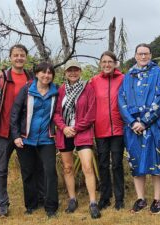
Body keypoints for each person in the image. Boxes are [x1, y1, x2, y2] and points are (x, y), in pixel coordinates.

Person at [0, 44, 45, 217]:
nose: (19, 58)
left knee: (31, 168)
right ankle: (2, 205)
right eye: (16, 55)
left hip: (24, 133)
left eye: (22, 55)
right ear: (10, 57)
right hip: (3, 133)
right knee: (1, 169)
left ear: (26, 57)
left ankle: (37, 200)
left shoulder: (31, 78)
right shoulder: (1, 79)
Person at [118, 43, 160, 214]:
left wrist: (145, 122)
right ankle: (140, 199)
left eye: (146, 53)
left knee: (156, 163)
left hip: (153, 126)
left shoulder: (158, 73)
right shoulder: (128, 76)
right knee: (136, 163)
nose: (143, 57)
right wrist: (132, 122)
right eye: (140, 54)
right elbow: (121, 100)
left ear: (151, 55)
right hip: (132, 128)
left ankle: (157, 200)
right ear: (135, 55)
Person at [53, 59, 101, 219]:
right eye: (69, 70)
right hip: (64, 132)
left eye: (76, 70)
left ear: (80, 71)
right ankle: (72, 199)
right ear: (65, 73)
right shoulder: (60, 90)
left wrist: (76, 128)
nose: (73, 73)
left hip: (82, 132)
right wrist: (64, 128)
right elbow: (56, 113)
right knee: (67, 167)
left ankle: (93, 202)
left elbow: (91, 112)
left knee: (87, 167)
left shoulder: (88, 88)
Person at [10, 62, 59, 218]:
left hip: (47, 139)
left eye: (50, 73)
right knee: (28, 172)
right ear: (36, 74)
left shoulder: (56, 90)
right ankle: (31, 205)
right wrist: (16, 135)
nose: (46, 75)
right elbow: (15, 113)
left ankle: (51, 206)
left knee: (50, 171)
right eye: (43, 72)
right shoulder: (27, 90)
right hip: (26, 139)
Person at [91, 51, 125, 211]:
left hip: (118, 129)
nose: (107, 64)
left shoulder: (123, 79)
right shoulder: (94, 81)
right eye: (104, 61)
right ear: (100, 64)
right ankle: (105, 197)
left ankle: (119, 198)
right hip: (100, 129)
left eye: (110, 61)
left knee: (117, 164)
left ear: (115, 63)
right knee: (103, 164)